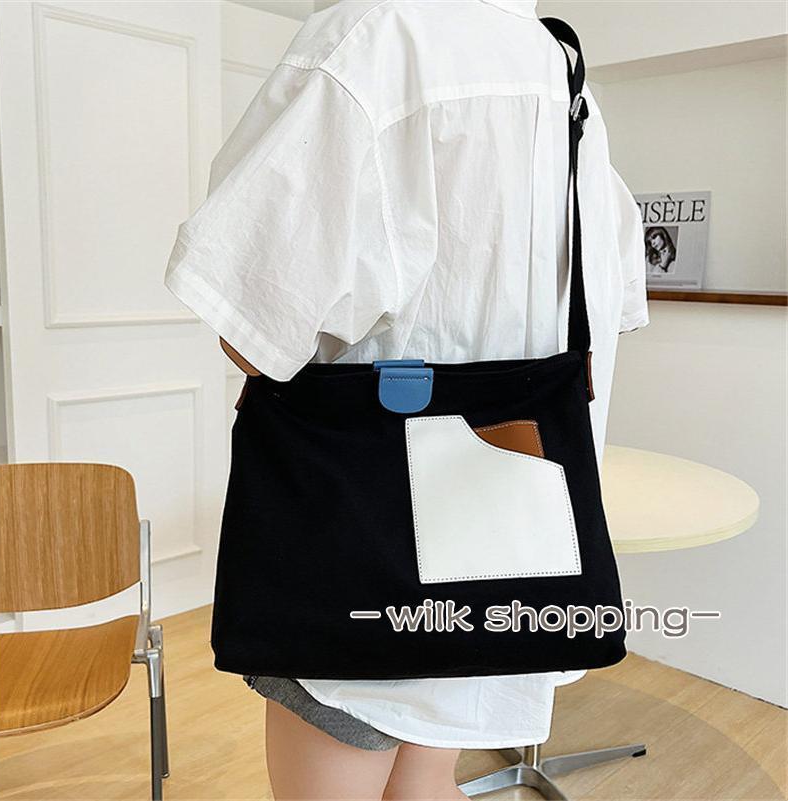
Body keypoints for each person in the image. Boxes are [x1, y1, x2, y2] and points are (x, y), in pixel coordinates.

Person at [164, 0, 649, 798]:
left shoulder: (375, 41)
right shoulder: (567, 81)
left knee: (348, 749)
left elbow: (252, 331)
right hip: (506, 555)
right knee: (426, 772)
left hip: (361, 554)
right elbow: (613, 305)